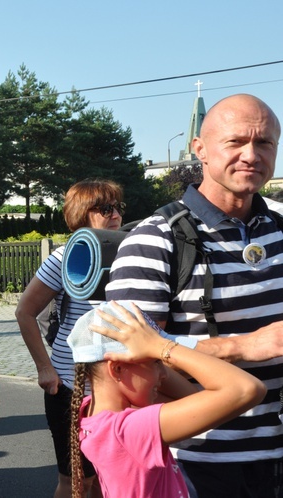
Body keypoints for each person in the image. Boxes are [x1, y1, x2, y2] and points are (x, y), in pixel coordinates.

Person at [105, 94, 283, 497]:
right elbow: (126, 362)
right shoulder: (156, 239)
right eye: (235, 142)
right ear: (199, 149)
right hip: (200, 463)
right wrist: (243, 346)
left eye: (265, 143)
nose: (251, 155)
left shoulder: (280, 228)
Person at [68, 301, 266, 498]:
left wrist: (154, 350)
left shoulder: (94, 414)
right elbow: (246, 389)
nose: (164, 373)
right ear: (117, 369)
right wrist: (161, 346)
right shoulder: (130, 430)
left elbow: (191, 398)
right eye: (155, 362)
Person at [15, 178, 124, 497]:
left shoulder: (131, 253)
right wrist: (44, 368)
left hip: (118, 389)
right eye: (105, 208)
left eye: (117, 206)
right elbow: (25, 312)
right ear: (81, 213)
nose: (114, 213)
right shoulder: (65, 257)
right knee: (76, 481)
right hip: (70, 386)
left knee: (108, 478)